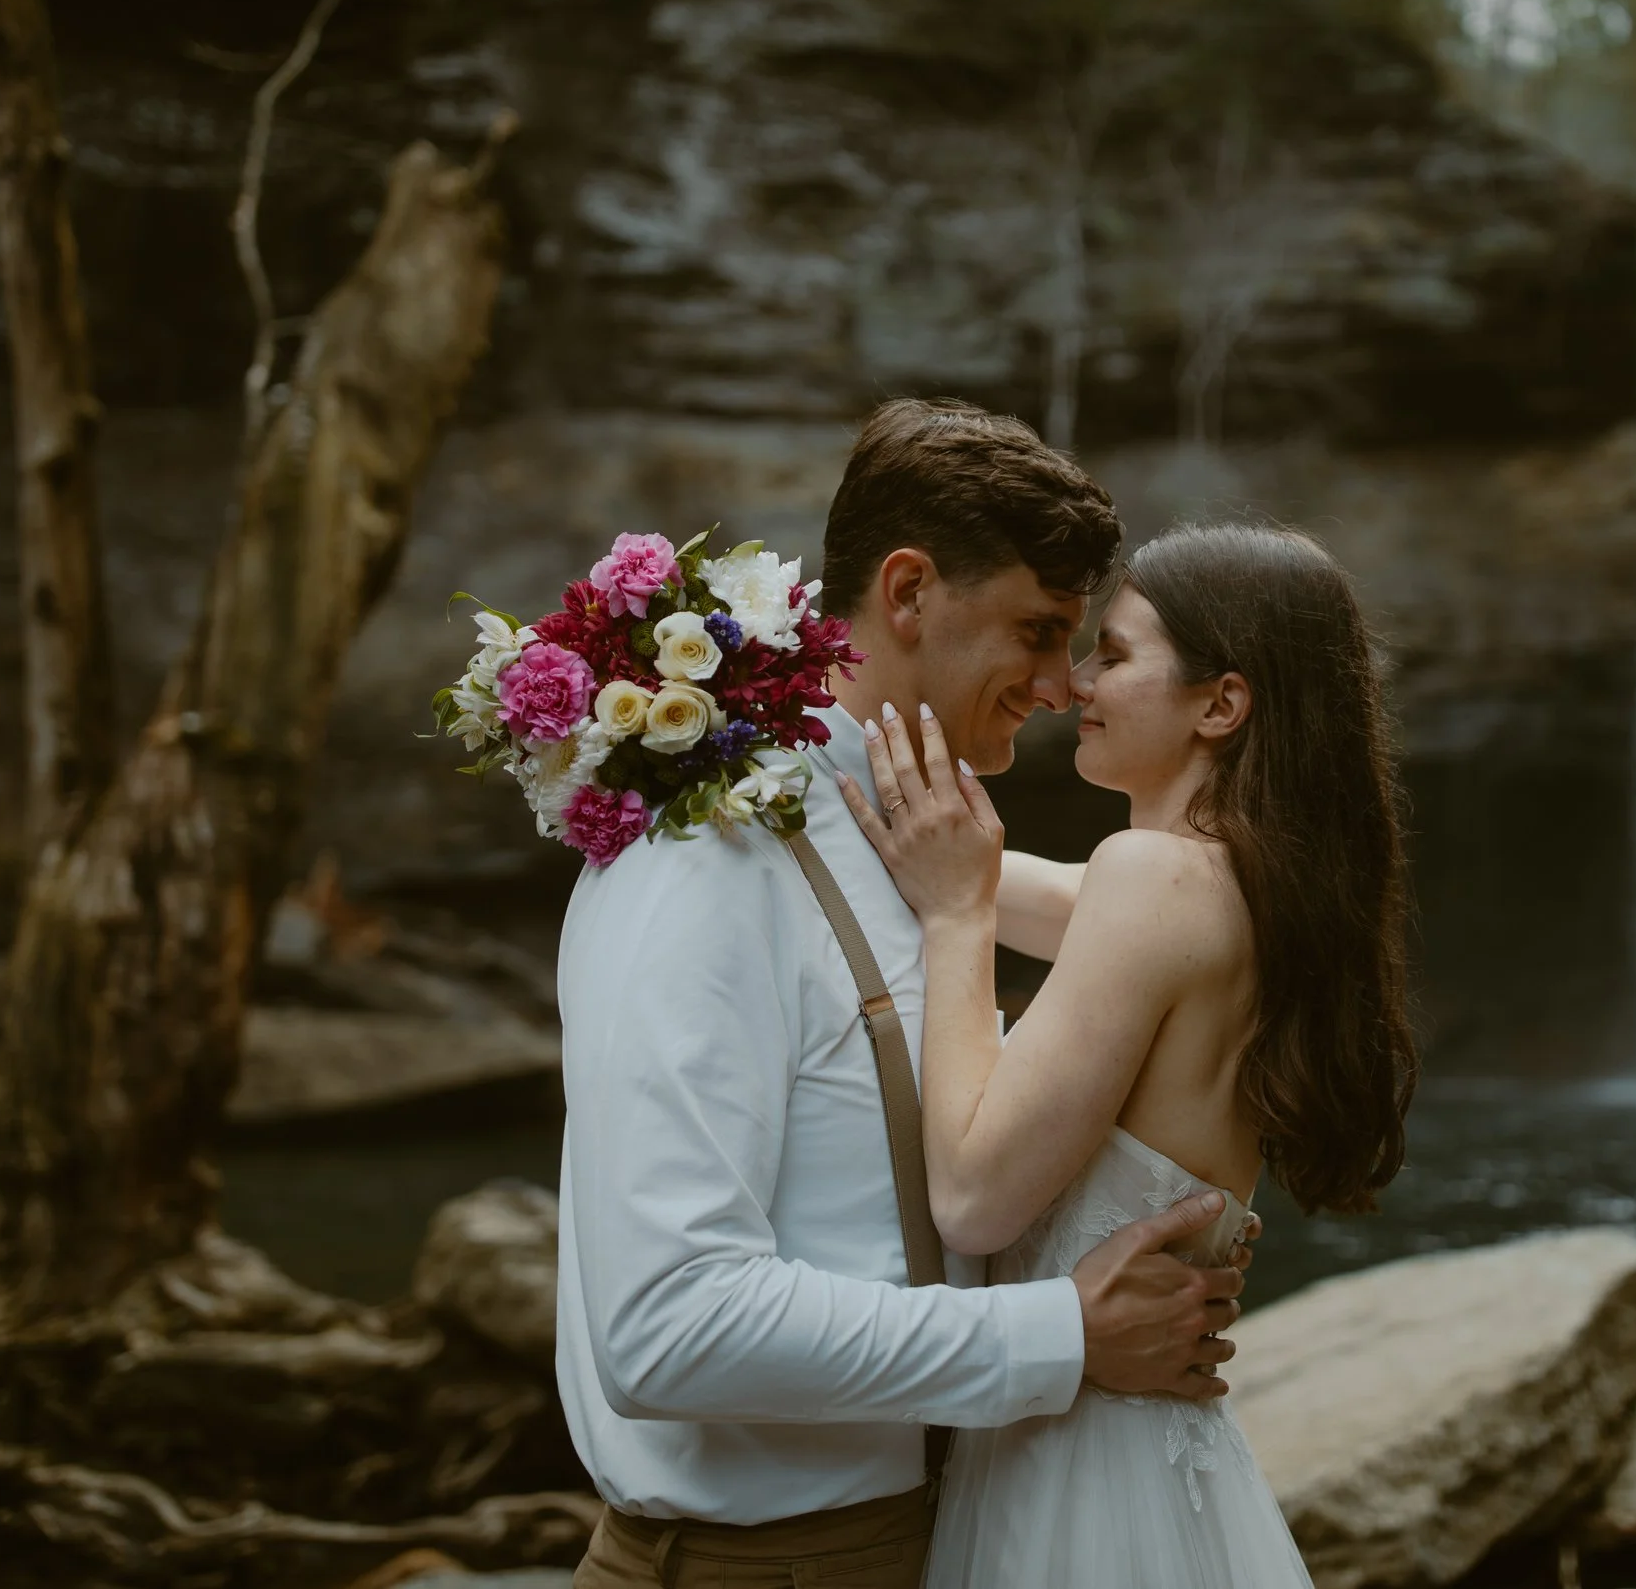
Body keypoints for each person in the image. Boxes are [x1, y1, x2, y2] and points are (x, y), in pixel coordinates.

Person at [560, 402, 1255, 1589]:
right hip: (756, 1568)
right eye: (1037, 631)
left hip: (944, 1536)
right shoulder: (707, 862)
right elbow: (667, 1325)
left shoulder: (918, 844)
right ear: (909, 590)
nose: (1060, 686)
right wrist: (1065, 1332)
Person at [838, 521, 1418, 1588]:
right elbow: (982, 869)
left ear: (1220, 704)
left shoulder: (1151, 877)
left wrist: (958, 921)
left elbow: (971, 1197)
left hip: (1078, 1476)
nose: (1073, 683)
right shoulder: (1246, 889)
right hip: (1146, 1463)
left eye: (1111, 653)